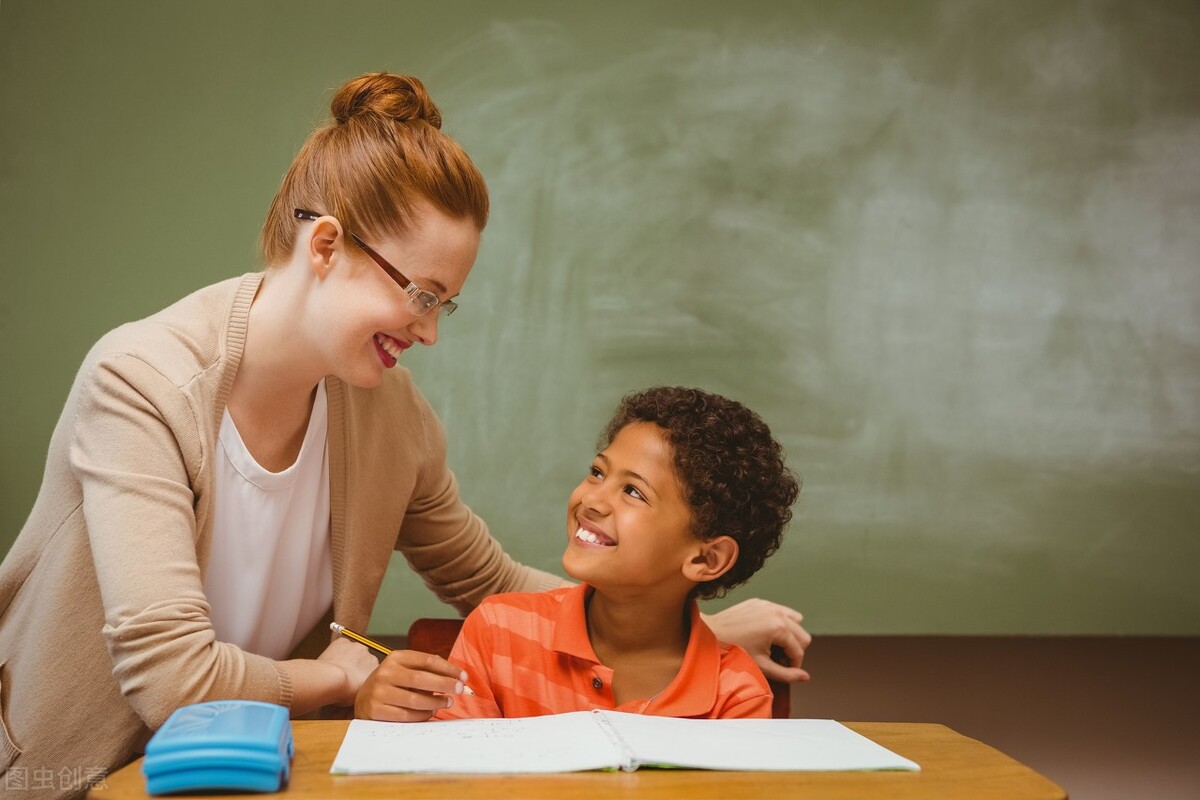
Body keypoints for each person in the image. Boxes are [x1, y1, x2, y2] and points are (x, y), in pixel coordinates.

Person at [0, 73, 808, 792]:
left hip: (251, 774)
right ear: (324, 246)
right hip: (70, 773)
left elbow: (488, 581)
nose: (429, 332)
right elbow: (170, 676)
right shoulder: (142, 383)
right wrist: (331, 679)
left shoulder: (389, 413)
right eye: (421, 295)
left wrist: (687, 626)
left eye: (444, 303)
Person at [364, 386, 800, 721]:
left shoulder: (736, 694)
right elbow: (453, 778)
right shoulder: (498, 632)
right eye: (597, 472)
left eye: (633, 491)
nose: (592, 499)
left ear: (706, 559)